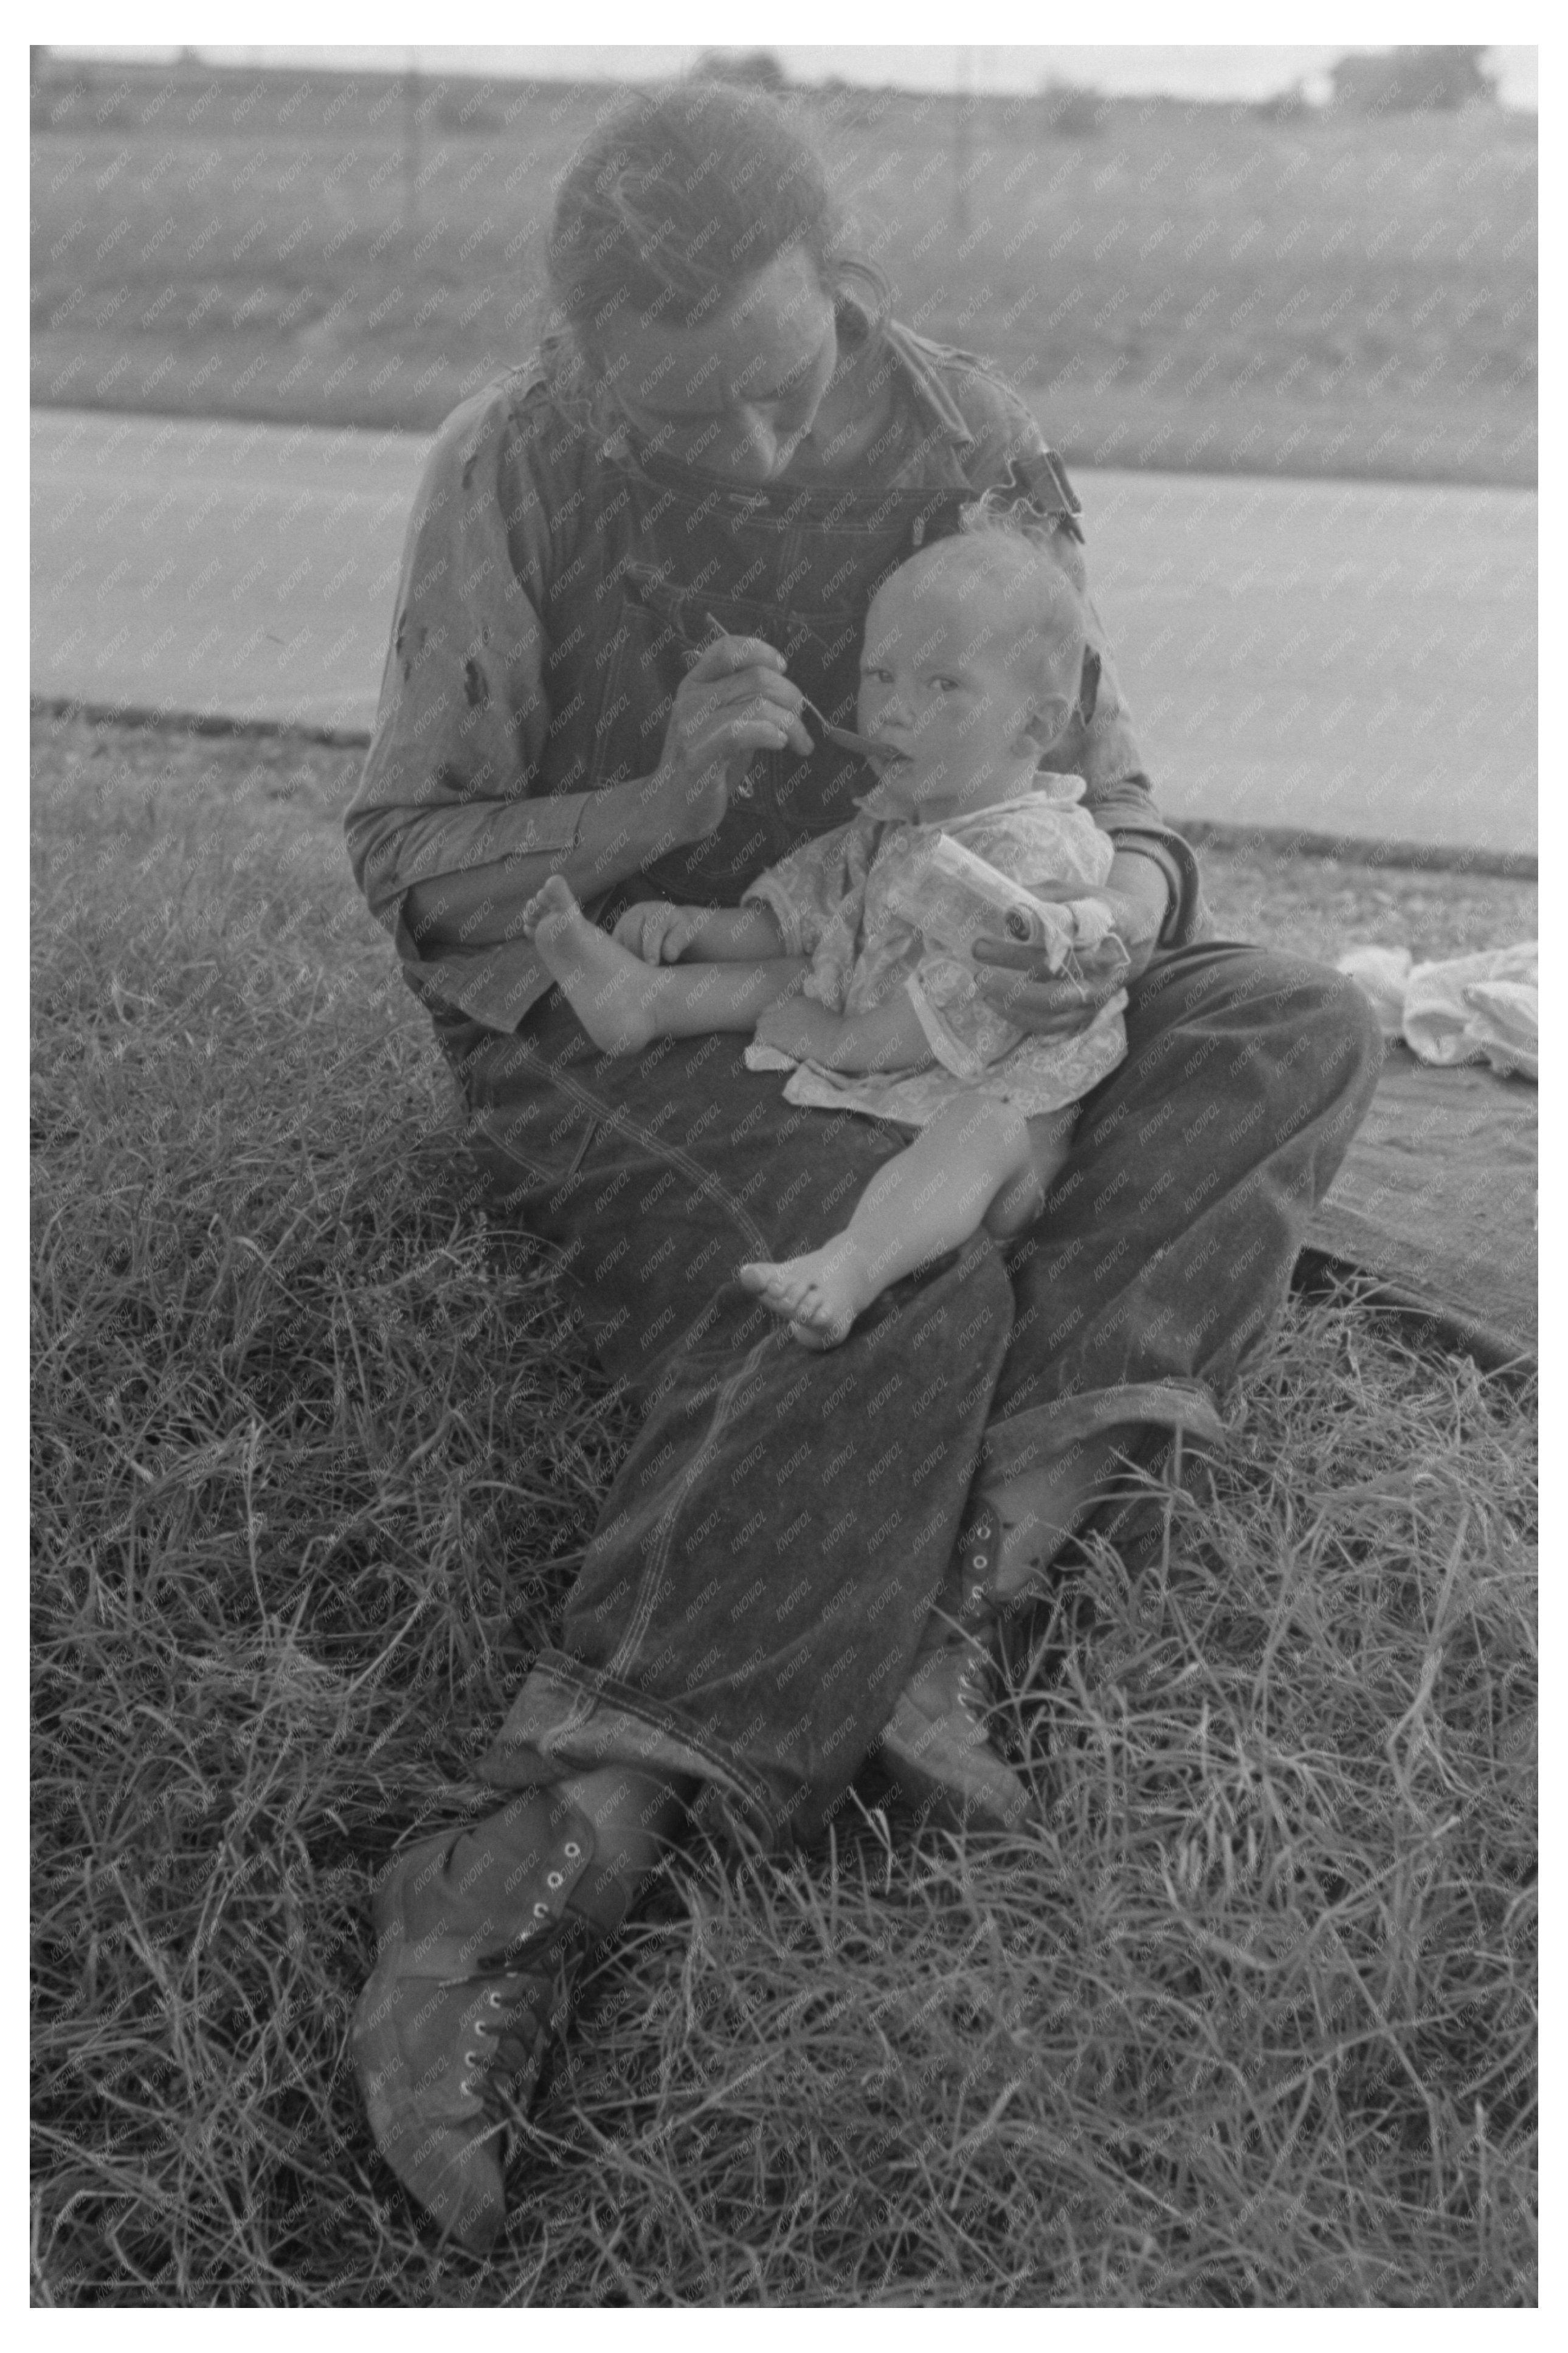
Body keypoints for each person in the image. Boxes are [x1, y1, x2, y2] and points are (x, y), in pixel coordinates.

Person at [344, 79, 1382, 2254]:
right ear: (578, 361)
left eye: (783, 387)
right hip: (646, 988)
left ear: (843, 283)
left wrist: (1108, 925)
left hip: (954, 971)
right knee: (888, 1261)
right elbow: (413, 865)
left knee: (1295, 1023)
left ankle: (957, 1604)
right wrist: (652, 805)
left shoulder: (969, 432)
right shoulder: (503, 464)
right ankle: (532, 1862)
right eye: (681, 421)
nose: (750, 454)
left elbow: (1114, 786)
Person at [519, 510, 1130, 1350]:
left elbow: (963, 998)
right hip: (897, 1072)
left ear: (1035, 725)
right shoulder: (896, 824)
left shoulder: (1030, 852)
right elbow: (808, 915)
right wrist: (700, 926)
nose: (894, 712)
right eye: (880, 676)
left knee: (977, 1130)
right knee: (807, 968)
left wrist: (838, 1039)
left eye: (942, 686)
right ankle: (645, 999)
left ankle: (850, 1266)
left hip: (1005, 1142)